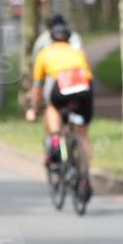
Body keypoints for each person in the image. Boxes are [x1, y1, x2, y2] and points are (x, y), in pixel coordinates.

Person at [25, 22, 94, 199]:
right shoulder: (78, 52)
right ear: (69, 38)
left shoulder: (44, 53)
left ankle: (55, 141)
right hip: (84, 89)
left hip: (61, 88)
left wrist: (34, 108)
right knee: (83, 135)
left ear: (51, 39)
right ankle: (85, 176)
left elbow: (38, 86)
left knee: (52, 107)